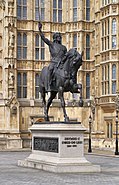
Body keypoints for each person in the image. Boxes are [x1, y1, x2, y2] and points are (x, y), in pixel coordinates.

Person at [38, 22, 67, 88]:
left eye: (60, 37)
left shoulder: (63, 47)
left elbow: (66, 56)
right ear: (55, 38)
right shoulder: (52, 44)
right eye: (58, 37)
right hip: (54, 63)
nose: (59, 38)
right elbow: (44, 39)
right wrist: (40, 30)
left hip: (61, 64)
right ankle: (49, 83)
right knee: (50, 69)